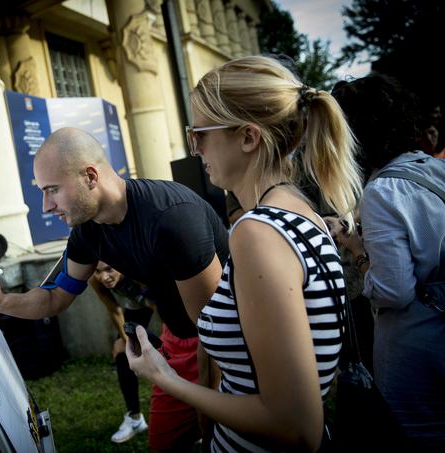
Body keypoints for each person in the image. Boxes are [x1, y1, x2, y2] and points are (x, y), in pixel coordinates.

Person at [125, 55, 363, 451]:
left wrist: (166, 377)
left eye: (199, 133)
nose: (194, 148)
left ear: (248, 137)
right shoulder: (300, 211)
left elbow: (294, 426)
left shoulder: (258, 233)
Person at [0, 127, 230, 451]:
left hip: (227, 344)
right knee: (164, 444)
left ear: (90, 177)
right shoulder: (87, 231)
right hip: (178, 338)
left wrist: (211, 420)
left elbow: (217, 333)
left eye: (52, 190)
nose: (45, 207)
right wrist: (0, 299)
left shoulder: (171, 219)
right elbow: (54, 296)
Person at [329, 74, 445, 449]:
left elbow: (394, 291)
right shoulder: (431, 168)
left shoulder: (381, 191)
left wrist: (358, 252)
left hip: (417, 349)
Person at [89, 261, 154, 443]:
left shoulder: (136, 269)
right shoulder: (95, 280)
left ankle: (194, 415)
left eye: (109, 269)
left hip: (161, 297)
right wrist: (128, 344)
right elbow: (115, 310)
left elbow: (160, 305)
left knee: (176, 349)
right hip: (136, 303)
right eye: (97, 271)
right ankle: (135, 419)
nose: (103, 277)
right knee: (121, 351)